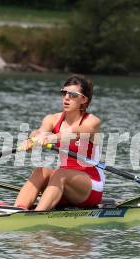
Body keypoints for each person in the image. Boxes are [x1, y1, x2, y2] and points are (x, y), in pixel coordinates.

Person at [14, 75, 105, 211]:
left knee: (60, 173)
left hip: (91, 186)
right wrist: (32, 140)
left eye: (73, 95)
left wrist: (52, 138)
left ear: (84, 99)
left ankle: (38, 215)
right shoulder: (51, 119)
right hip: (63, 182)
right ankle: (18, 210)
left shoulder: (92, 122)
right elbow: (41, 133)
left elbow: (75, 133)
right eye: (64, 93)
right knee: (41, 171)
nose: (66, 98)